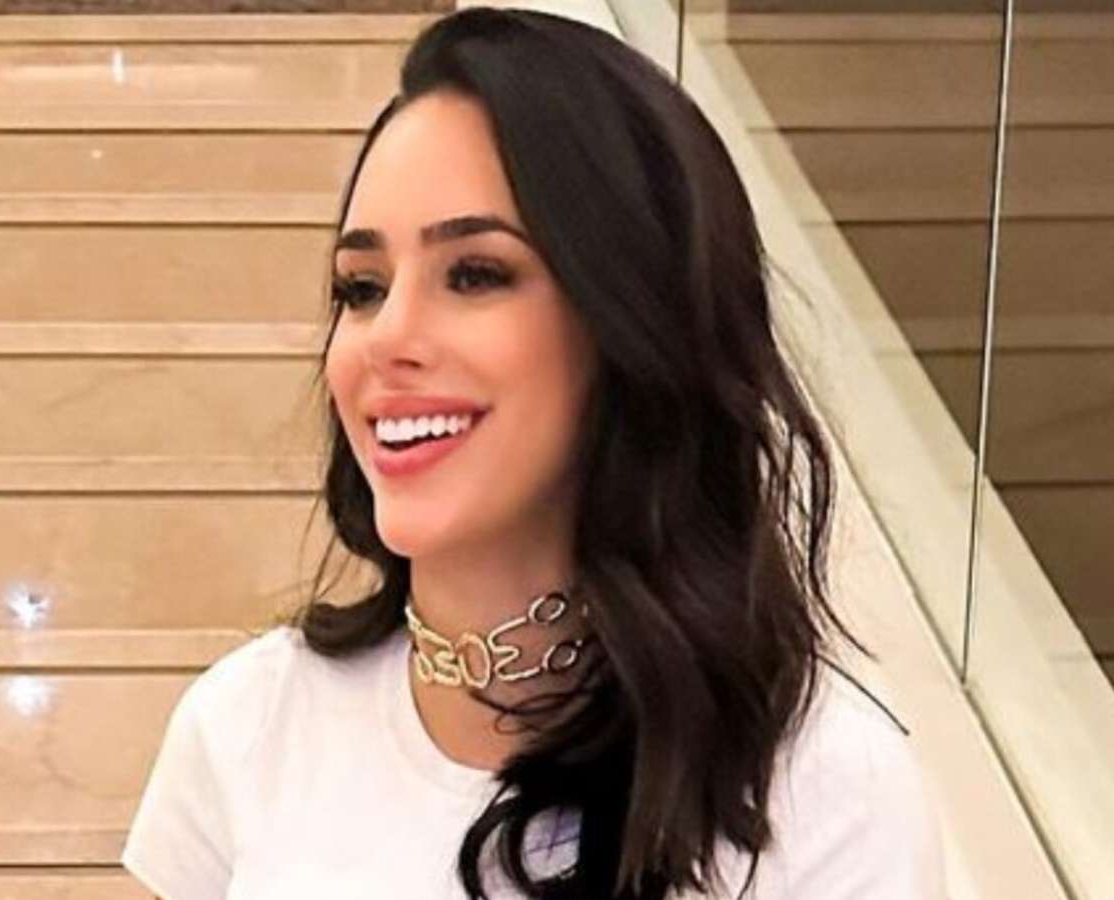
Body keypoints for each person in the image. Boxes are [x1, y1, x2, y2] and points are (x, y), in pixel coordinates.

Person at [120, 6, 946, 899]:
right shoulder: (246, 726)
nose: (386, 338)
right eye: (361, 288)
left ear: (629, 322)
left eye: (476, 273)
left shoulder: (824, 788)